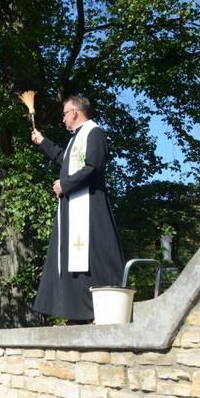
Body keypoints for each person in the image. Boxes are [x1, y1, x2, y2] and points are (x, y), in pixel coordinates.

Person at [30, 95, 125, 323]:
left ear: (74, 112)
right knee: (71, 258)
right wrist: (42, 141)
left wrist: (65, 184)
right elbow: (65, 158)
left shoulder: (95, 133)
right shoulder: (77, 138)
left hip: (90, 207)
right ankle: (77, 314)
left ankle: (96, 311)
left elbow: (94, 167)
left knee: (93, 256)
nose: (62, 119)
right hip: (73, 208)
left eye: (64, 114)